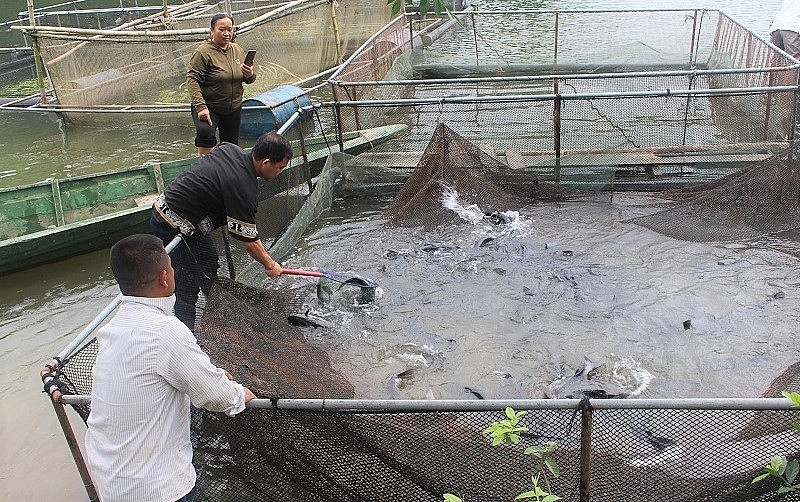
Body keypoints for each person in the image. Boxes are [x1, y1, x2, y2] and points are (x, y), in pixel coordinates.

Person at [85, 234, 256, 502]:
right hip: (156, 489)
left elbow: (150, 375)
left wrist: (206, 377)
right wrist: (240, 393)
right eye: (172, 267)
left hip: (111, 483)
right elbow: (218, 396)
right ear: (165, 278)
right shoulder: (166, 331)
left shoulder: (113, 328)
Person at [150, 131, 292, 330]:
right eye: (280, 168)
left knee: (209, 263)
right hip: (171, 225)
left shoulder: (231, 149)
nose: (280, 172)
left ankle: (218, 310)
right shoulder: (244, 187)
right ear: (265, 162)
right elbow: (249, 242)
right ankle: (187, 335)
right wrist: (270, 265)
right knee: (186, 286)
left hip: (192, 225)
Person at [186, 13, 256, 156]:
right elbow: (192, 79)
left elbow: (246, 79)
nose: (226, 33)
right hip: (210, 105)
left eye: (229, 29)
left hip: (233, 106)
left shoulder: (236, 49)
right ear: (212, 30)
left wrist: (249, 74)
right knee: (205, 132)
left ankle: (227, 171)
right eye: (221, 29)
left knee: (230, 145)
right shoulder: (203, 52)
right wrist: (200, 107)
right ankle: (206, 168)